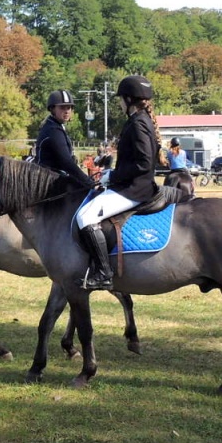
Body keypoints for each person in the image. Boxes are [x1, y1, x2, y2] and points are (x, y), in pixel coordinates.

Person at [75, 75, 161, 290]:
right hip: (131, 185)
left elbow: (143, 163)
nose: (120, 102)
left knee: (85, 216)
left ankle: (104, 273)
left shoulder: (139, 123)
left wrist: (112, 176)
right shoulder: (139, 120)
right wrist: (110, 166)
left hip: (134, 190)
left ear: (129, 99)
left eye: (121, 99)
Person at [33, 90, 92, 187]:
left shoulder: (55, 126)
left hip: (53, 179)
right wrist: (89, 182)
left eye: (69, 107)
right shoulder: (53, 131)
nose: (66, 111)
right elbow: (66, 162)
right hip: (49, 184)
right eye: (62, 107)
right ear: (52, 109)